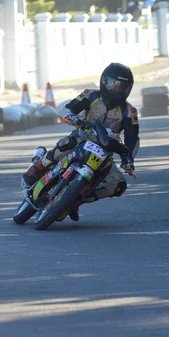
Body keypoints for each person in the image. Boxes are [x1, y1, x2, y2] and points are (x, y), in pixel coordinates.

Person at [22, 63, 140, 221]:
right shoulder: (90, 95)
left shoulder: (129, 111)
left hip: (105, 151)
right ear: (105, 82)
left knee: (118, 185)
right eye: (116, 86)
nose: (119, 91)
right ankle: (39, 166)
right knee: (67, 143)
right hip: (83, 136)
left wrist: (128, 159)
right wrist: (71, 116)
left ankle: (74, 200)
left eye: (124, 87)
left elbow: (132, 139)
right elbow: (71, 107)